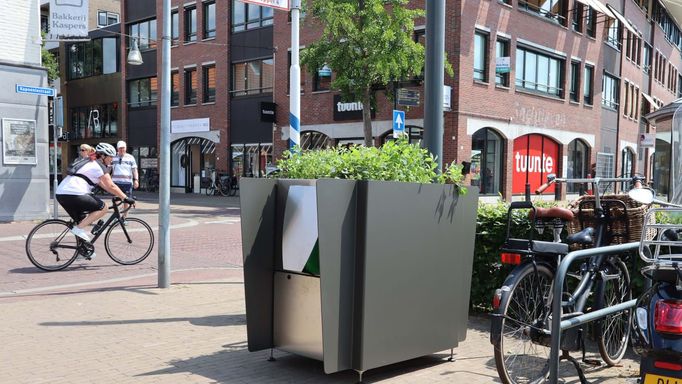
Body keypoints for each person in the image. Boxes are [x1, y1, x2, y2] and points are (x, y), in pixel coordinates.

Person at [56, 143, 134, 258]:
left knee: (82, 221)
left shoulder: (89, 162)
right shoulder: (98, 166)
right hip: (74, 193)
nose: (112, 160)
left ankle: (82, 252)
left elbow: (104, 185)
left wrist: (118, 195)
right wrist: (126, 198)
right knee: (103, 207)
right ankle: (78, 230)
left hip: (61, 194)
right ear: (103, 156)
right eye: (110, 157)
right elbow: (111, 185)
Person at [111, 141, 139, 216]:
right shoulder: (113, 157)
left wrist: (136, 180)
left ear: (126, 148)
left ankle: (124, 217)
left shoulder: (130, 157)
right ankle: (117, 216)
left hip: (127, 182)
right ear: (117, 148)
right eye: (120, 148)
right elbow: (109, 168)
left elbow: (134, 169)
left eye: (123, 148)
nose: (122, 150)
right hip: (116, 182)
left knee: (126, 201)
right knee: (116, 200)